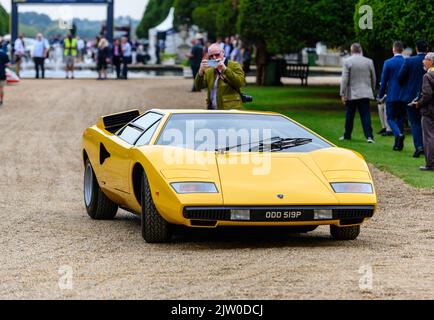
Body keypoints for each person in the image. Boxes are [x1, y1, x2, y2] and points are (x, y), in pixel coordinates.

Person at [340, 43, 376, 143]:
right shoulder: (369, 61)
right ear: (361, 50)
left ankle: (347, 135)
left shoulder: (348, 61)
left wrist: (342, 93)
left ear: (351, 51)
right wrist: (372, 90)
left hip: (352, 93)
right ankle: (369, 136)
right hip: (365, 92)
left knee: (349, 115)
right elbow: (373, 78)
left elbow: (344, 79)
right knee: (365, 115)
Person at [398, 40, 428, 158]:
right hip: (428, 96)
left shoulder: (409, 61)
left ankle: (419, 146)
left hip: (411, 95)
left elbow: (400, 77)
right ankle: (427, 147)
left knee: (415, 123)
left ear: (416, 49)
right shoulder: (430, 60)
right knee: (427, 123)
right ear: (427, 49)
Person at [194, 43, 245, 110]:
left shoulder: (234, 65)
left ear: (223, 52)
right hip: (213, 110)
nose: (214, 57)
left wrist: (225, 69)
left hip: (230, 109)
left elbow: (240, 83)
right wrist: (200, 72)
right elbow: (198, 87)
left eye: (217, 55)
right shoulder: (209, 69)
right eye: (211, 56)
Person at [378, 41, 407, 151]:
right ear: (402, 50)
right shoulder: (406, 62)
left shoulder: (388, 62)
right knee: (400, 118)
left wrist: (380, 95)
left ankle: (399, 135)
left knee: (390, 118)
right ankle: (398, 145)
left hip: (392, 94)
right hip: (403, 95)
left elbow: (384, 81)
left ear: (393, 49)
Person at [415, 52, 434, 171]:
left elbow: (427, 94)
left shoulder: (427, 76)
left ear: (431, 62)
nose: (423, 61)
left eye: (425, 59)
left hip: (429, 111)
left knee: (428, 137)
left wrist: (418, 103)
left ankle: (430, 163)